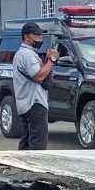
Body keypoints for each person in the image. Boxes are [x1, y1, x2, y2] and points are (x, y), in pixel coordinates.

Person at [12, 22, 58, 150]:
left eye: (41, 35)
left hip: (25, 104)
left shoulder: (24, 54)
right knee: (38, 145)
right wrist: (52, 60)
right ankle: (33, 169)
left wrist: (46, 60)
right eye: (37, 35)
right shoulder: (27, 54)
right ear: (27, 37)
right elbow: (39, 76)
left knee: (26, 142)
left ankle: (21, 168)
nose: (40, 38)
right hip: (34, 103)